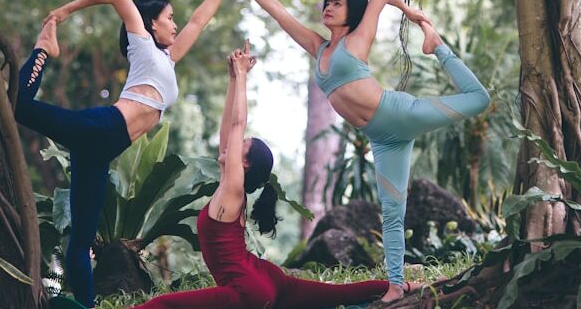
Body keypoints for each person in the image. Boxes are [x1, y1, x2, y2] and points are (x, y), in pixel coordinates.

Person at [233, 0, 490, 302]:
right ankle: (396, 286)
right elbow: (279, 13)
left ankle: (438, 46)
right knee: (392, 211)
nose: (329, 6)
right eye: (327, 2)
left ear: (351, 12)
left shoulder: (357, 40)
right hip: (382, 139)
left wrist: (412, 14)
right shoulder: (319, 48)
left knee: (479, 99)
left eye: (337, 3)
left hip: (400, 113)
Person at [16, 0, 236, 309]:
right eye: (169, 17)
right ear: (151, 23)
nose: (176, 24)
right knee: (18, 104)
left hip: (100, 150)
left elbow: (199, 21)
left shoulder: (166, 58)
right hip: (100, 128)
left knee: (80, 244)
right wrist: (65, 11)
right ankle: (42, 48)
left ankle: (84, 305)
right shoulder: (142, 45)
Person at [134, 42, 392, 309]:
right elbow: (229, 132)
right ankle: (402, 287)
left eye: (240, 145)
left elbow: (237, 124)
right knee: (335, 294)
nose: (231, 147)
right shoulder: (229, 188)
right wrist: (233, 78)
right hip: (266, 278)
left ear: (243, 163)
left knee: (159, 305)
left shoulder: (232, 192)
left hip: (246, 291)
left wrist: (244, 76)